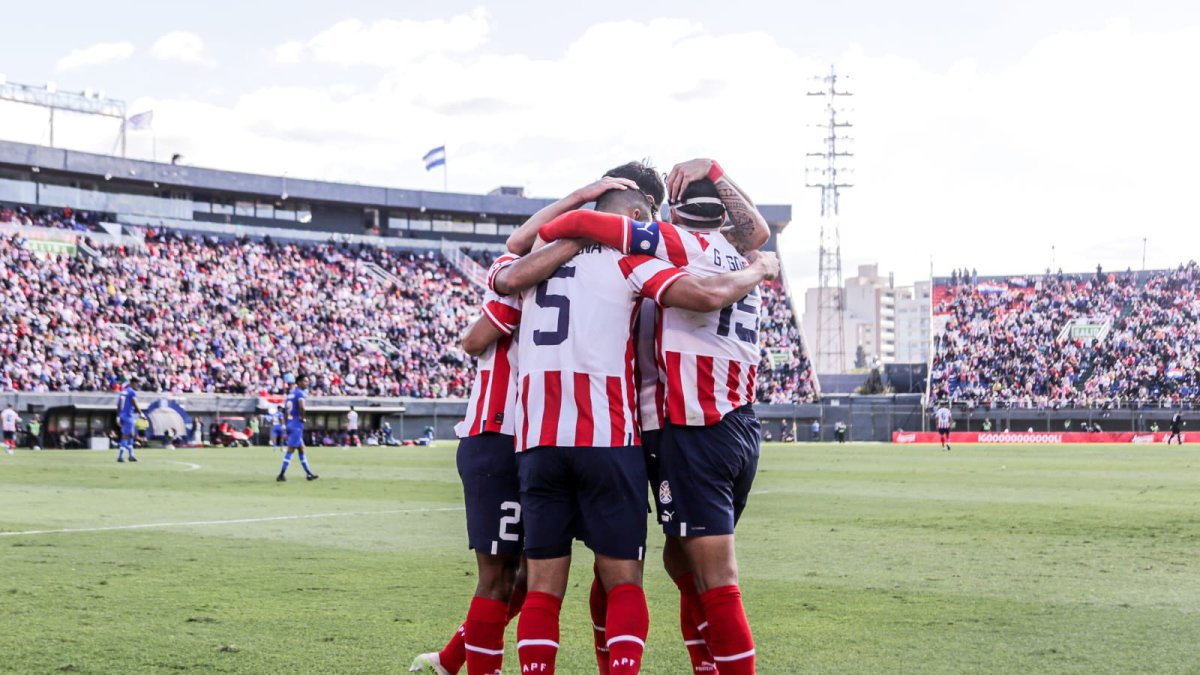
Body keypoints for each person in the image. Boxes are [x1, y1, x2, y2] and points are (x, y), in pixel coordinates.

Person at [530, 161, 779, 675]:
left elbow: (576, 228)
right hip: (736, 421)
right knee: (679, 560)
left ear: (671, 213)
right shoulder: (739, 251)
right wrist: (715, 171)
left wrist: (576, 210)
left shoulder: (672, 243)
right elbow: (757, 231)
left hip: (684, 427)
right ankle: (704, 664)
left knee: (691, 573)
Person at [410, 214, 587, 675]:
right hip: (510, 436)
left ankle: (450, 660)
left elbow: (473, 339)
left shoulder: (518, 285)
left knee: (525, 578)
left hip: (526, 438)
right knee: (508, 577)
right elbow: (473, 340)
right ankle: (453, 661)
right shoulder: (552, 288)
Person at [277, 373, 318, 482]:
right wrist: (303, 418)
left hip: (290, 423)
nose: (307, 383)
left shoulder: (290, 394)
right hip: (296, 425)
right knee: (290, 450)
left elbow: (285, 411)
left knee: (301, 449)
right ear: (299, 382)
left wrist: (286, 424)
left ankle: (309, 474)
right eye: (305, 381)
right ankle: (281, 474)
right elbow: (302, 407)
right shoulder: (300, 393)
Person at [115, 376, 145, 462]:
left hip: (122, 415)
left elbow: (118, 405)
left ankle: (131, 456)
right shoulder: (132, 392)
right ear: (132, 383)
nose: (138, 385)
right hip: (128, 416)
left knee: (130, 435)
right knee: (125, 436)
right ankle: (120, 456)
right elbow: (134, 403)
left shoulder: (123, 392)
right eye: (137, 383)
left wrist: (118, 416)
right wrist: (141, 413)